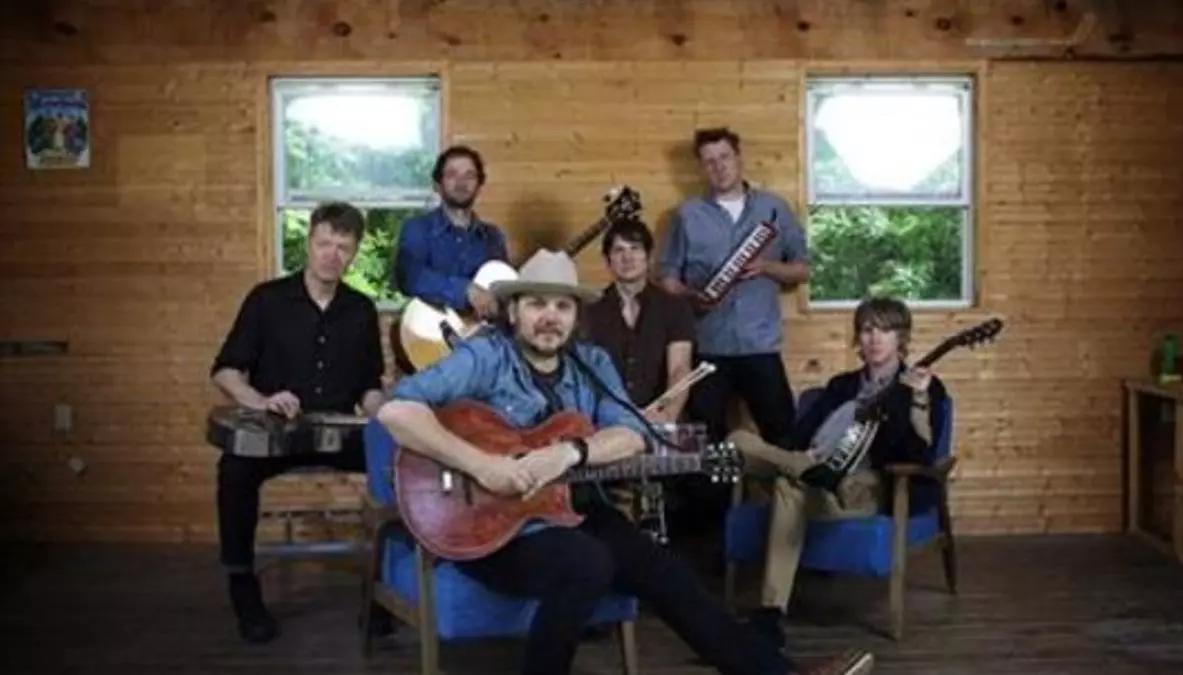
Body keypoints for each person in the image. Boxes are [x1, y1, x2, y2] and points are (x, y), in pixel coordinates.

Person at [376, 249, 874, 675]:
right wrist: (483, 466)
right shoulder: (486, 356)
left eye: (561, 306)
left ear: (575, 315)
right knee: (587, 562)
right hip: (490, 528)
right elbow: (398, 411)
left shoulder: (591, 364)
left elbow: (632, 433)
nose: (549, 317)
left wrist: (570, 452)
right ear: (513, 311)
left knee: (666, 570)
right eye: (536, 304)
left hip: (571, 511)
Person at [209, 202, 386, 644]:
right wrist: (263, 401)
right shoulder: (266, 300)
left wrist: (387, 415)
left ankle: (387, 593)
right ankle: (243, 587)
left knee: (400, 464)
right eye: (324, 243)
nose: (332, 254)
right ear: (309, 243)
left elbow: (369, 387)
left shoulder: (361, 309)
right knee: (234, 469)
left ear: (354, 252)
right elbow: (226, 372)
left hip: (341, 432)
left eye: (343, 247)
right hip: (279, 434)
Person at [728, 297, 949, 649]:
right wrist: (802, 457)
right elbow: (798, 437)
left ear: (901, 338)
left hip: (860, 489)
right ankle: (770, 616)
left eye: (885, 330)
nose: (874, 338)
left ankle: (769, 611)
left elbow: (918, 455)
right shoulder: (841, 386)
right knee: (740, 441)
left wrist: (918, 402)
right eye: (867, 330)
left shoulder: (921, 388)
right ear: (858, 338)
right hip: (815, 482)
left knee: (780, 475)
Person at [658, 125, 810, 524]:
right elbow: (668, 278)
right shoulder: (686, 215)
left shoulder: (774, 209)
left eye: (724, 157)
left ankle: (795, 523)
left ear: (739, 158)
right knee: (707, 443)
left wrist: (767, 267)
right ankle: (715, 529)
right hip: (707, 345)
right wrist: (692, 295)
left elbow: (802, 269)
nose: (719, 167)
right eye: (709, 162)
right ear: (701, 168)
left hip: (760, 345)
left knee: (783, 436)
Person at [581, 216, 696, 541]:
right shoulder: (589, 310)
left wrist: (667, 415)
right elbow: (585, 375)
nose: (627, 257)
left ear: (648, 256)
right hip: (607, 423)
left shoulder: (674, 308)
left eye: (635, 248)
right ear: (607, 261)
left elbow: (680, 368)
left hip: (660, 418)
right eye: (618, 250)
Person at [392, 144, 509, 322]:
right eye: (452, 174)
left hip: (483, 334)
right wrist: (465, 290)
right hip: (429, 334)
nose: (461, 183)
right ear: (438, 184)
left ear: (479, 186)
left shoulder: (493, 236)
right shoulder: (417, 229)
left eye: (469, 175)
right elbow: (409, 277)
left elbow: (503, 288)